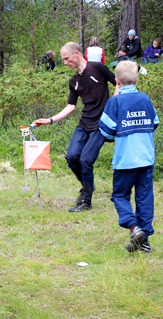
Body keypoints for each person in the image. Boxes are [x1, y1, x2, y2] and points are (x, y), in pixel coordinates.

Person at [34, 42, 116, 212]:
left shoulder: (98, 68)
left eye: (66, 58)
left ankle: (86, 202)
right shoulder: (73, 81)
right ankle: (88, 186)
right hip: (84, 123)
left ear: (76, 53)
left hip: (100, 125)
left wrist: (113, 105)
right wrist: (50, 119)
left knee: (86, 160)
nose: (64, 62)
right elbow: (71, 106)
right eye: (62, 59)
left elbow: (119, 83)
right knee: (71, 157)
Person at [99, 60, 159, 253]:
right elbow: (155, 123)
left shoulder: (114, 102)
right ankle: (144, 241)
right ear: (137, 79)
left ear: (116, 81)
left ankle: (134, 228)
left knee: (120, 195)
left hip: (125, 161)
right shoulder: (145, 99)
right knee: (144, 198)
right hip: (146, 158)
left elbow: (106, 132)